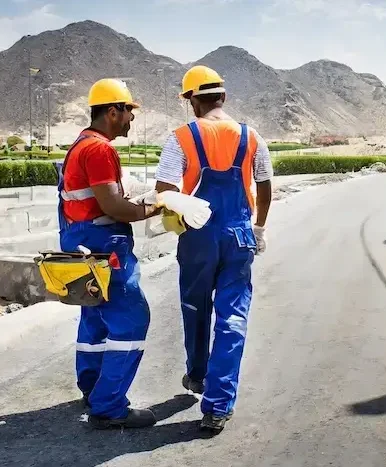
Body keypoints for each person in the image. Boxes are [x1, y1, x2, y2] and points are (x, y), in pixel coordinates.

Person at [154, 65, 272, 433]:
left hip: (197, 237)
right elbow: (265, 185)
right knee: (233, 317)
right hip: (239, 237)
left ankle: (198, 376)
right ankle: (218, 405)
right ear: (223, 97)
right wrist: (260, 228)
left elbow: (164, 189)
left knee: (195, 308)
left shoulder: (181, 138)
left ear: (192, 101)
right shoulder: (251, 137)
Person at [58, 78, 161, 429]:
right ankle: (109, 405)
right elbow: (115, 207)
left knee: (95, 318)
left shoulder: (80, 145)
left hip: (82, 242)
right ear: (113, 111)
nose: (131, 119)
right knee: (132, 319)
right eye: (129, 112)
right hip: (104, 246)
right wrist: (155, 207)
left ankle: (92, 387)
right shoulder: (100, 150)